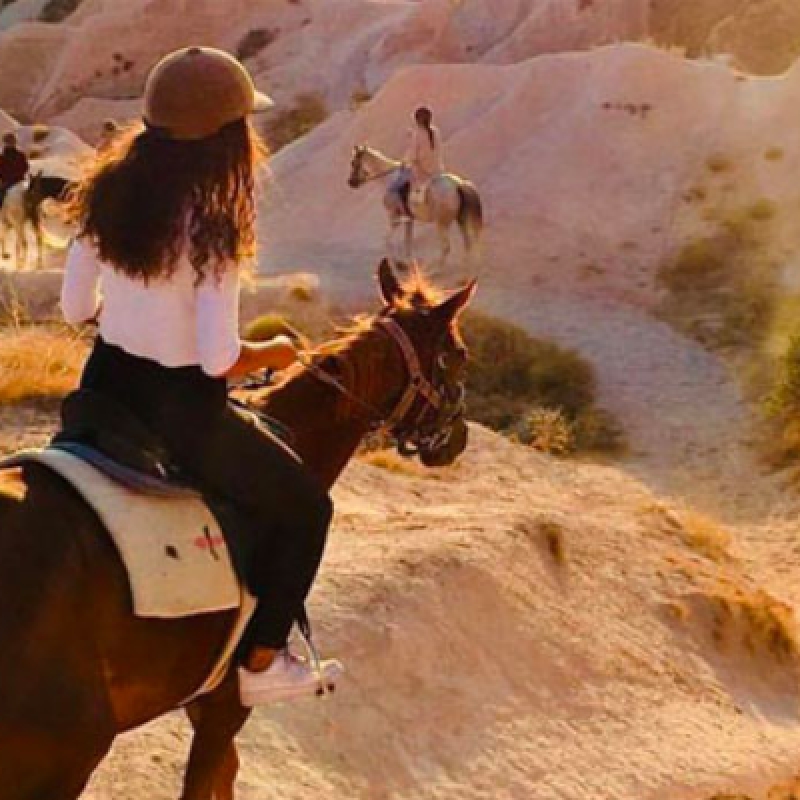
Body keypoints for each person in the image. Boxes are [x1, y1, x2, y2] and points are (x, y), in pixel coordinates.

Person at [60, 46, 342, 707]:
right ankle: (263, 662)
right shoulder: (212, 228)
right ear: (224, 138)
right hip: (181, 416)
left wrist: (130, 318)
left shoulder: (104, 192)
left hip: (99, 395)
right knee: (307, 510)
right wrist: (272, 352)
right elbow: (218, 361)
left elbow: (76, 309)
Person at [0, 131, 29, 209]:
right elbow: (25, 167)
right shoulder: (20, 155)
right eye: (9, 142)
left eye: (10, 142)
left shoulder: (2, 157)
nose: (10, 144)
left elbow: (25, 167)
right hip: (20, 181)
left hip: (10, 183)